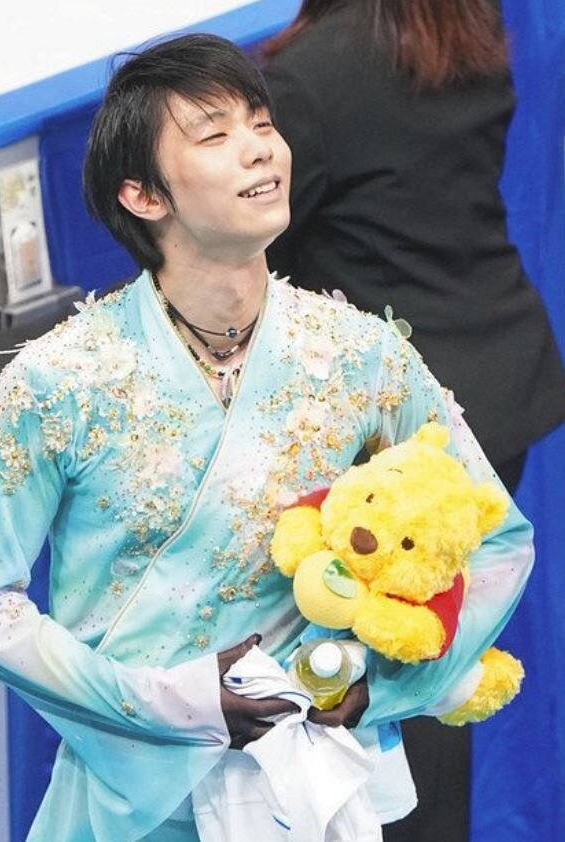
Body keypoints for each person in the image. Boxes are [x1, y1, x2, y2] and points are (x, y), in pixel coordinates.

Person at [0, 34, 533, 842]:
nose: (259, 149)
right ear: (143, 195)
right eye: (214, 135)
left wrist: (382, 685)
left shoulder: (360, 354)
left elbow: (497, 538)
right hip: (133, 801)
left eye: (261, 123)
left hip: (308, 789)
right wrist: (169, 704)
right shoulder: (57, 380)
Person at [260, 2, 565, 839]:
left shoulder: (311, 77)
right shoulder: (456, 29)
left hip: (404, 438)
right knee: (425, 671)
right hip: (494, 389)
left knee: (377, 690)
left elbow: (229, 254)